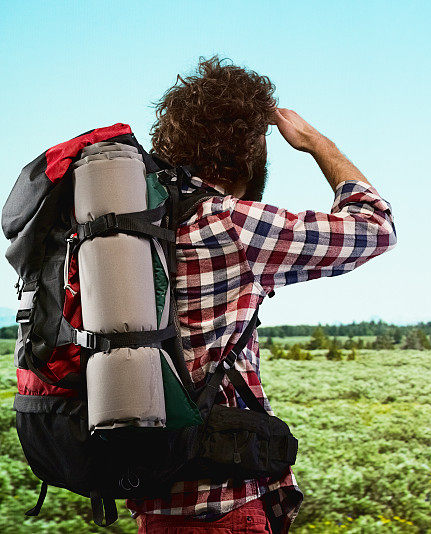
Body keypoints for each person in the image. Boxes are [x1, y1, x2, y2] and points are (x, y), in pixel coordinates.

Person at [127, 55, 397, 533]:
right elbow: (374, 226)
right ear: (250, 150)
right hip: (224, 507)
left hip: (154, 504)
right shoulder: (228, 223)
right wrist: (318, 144)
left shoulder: (132, 232)